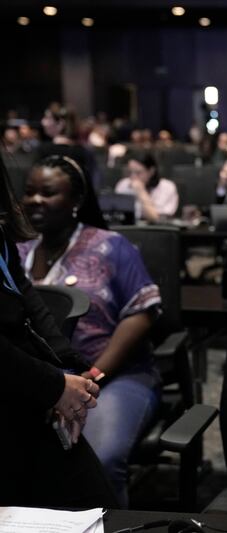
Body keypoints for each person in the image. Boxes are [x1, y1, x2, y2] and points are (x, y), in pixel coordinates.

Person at [18, 155, 162, 508]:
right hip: (40, 382)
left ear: (76, 202)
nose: (35, 200)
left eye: (48, 192)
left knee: (100, 459)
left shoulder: (112, 246)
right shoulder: (16, 253)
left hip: (113, 377)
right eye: (30, 192)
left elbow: (141, 315)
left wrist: (94, 373)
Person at [0, 156, 114, 508]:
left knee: (92, 499)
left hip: (28, 387)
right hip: (18, 389)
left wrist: (67, 367)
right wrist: (55, 386)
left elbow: (24, 296)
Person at [114, 152, 179, 223]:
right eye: (130, 172)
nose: (133, 177)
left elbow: (155, 218)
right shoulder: (123, 184)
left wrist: (141, 192)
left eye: (138, 173)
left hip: (156, 230)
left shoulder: (167, 187)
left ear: (151, 171)